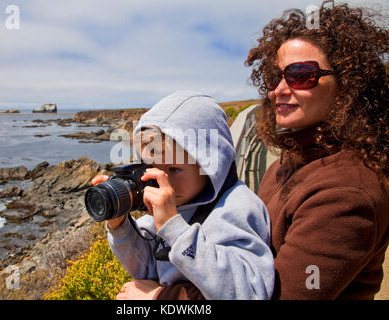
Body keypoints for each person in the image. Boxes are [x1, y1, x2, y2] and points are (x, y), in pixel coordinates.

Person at [132, 1, 388, 299]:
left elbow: (280, 296)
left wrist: (160, 299)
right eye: (274, 76)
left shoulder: (347, 194)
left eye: (301, 74)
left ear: (348, 83)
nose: (278, 89)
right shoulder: (292, 160)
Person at [91, 91, 274, 299]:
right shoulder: (179, 203)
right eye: (151, 167)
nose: (161, 179)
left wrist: (175, 229)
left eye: (174, 169)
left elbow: (250, 292)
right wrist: (120, 225)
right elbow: (145, 269)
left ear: (210, 164)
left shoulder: (237, 209)